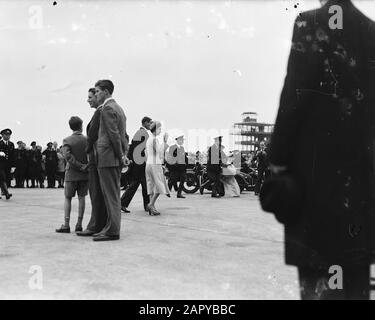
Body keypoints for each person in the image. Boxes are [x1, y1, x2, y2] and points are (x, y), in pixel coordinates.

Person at [267, 0, 375, 300]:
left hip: (314, 182)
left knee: (320, 279)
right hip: (360, 186)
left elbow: (294, 96)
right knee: (354, 280)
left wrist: (277, 159)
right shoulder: (371, 30)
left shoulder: (309, 23)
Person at [91, 79, 129, 241]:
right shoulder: (119, 109)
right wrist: (123, 154)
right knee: (111, 195)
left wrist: (121, 155)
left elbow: (113, 135)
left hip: (107, 158)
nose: (96, 94)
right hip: (113, 157)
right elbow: (123, 135)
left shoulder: (107, 108)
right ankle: (109, 228)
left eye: (98, 91)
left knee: (111, 196)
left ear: (106, 91)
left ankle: (112, 230)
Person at [77, 88, 108, 237]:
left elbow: (92, 137)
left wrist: (88, 150)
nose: (88, 100)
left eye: (90, 97)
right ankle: (99, 224)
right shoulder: (103, 111)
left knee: (96, 193)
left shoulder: (100, 112)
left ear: (97, 96)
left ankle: (95, 226)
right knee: (99, 193)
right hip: (100, 158)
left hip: (96, 159)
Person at [56, 116, 89, 233]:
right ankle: (79, 224)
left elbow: (68, 157)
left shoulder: (67, 140)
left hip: (72, 174)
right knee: (82, 198)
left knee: (68, 198)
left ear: (70, 127)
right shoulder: (87, 139)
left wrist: (79, 166)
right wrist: (85, 166)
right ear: (81, 126)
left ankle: (66, 224)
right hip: (85, 174)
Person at [121, 116, 152, 213]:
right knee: (140, 185)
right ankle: (147, 205)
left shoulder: (139, 133)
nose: (151, 125)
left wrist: (131, 160)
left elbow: (132, 148)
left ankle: (123, 203)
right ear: (145, 123)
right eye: (149, 123)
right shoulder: (143, 133)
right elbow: (141, 150)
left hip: (137, 163)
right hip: (140, 163)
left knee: (138, 185)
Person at [145, 121, 170, 215]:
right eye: (159, 129)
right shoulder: (154, 139)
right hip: (155, 164)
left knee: (150, 186)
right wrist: (165, 141)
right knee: (160, 186)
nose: (160, 131)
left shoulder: (149, 139)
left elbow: (146, 153)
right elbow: (160, 151)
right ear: (155, 129)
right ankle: (151, 204)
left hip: (148, 163)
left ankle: (152, 209)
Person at [0, 129, 14, 199]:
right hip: (0, 164)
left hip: (8, 165)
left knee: (7, 178)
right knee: (3, 178)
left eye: (9, 135)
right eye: (6, 135)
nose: (7, 136)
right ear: (2, 135)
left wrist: (13, 166)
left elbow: (12, 156)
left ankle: (3, 191)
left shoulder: (11, 144)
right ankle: (6, 193)